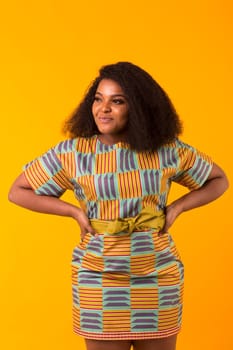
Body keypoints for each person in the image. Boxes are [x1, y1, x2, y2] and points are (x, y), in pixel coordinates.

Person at [8, 62, 228, 350]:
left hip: (157, 273)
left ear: (137, 107)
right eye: (98, 99)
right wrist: (73, 211)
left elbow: (218, 180)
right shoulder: (74, 153)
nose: (104, 108)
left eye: (117, 101)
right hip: (99, 277)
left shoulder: (167, 150)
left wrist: (178, 207)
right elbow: (18, 191)